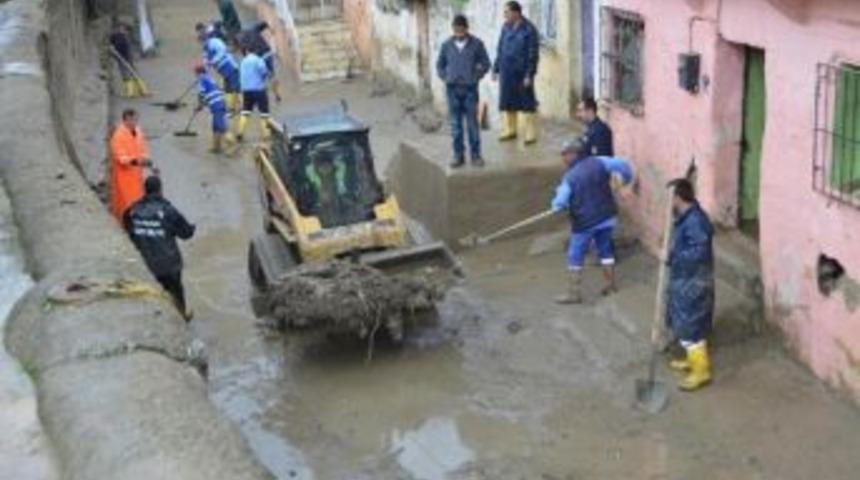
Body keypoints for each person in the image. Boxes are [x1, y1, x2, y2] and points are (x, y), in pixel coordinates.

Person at [550, 140, 633, 304]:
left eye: (565, 155)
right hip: (607, 216)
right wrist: (626, 180)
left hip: (585, 223)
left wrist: (556, 206)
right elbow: (624, 166)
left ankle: (574, 294)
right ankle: (610, 285)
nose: (563, 159)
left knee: (575, 255)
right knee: (605, 249)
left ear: (574, 154)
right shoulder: (601, 161)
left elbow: (560, 202)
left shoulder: (570, 178)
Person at [665, 178, 715, 391]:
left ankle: (701, 371)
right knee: (684, 321)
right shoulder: (686, 217)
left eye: (669, 198)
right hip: (684, 278)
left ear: (677, 198)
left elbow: (699, 253)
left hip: (693, 281)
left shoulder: (695, 221)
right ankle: (691, 359)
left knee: (691, 324)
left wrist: (672, 256)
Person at [124, 176, 196, 321]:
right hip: (170, 265)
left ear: (145, 190)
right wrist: (192, 227)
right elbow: (186, 233)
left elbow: (129, 231)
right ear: (160, 190)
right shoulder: (168, 210)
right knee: (176, 290)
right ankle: (182, 316)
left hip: (147, 266)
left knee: (155, 296)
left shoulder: (132, 211)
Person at [436, 15, 490, 168]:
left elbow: (486, 63)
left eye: (461, 30)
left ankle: (476, 155)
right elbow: (440, 65)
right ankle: (458, 155)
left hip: (470, 90)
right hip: (452, 89)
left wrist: (476, 76)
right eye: (455, 30)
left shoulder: (477, 44)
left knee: (472, 124)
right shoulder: (446, 45)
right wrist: (445, 77)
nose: (458, 33)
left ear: (466, 29)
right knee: (455, 125)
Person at [492, 1, 540, 145]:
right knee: (507, 101)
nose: (505, 15)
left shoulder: (529, 29)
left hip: (522, 72)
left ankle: (530, 133)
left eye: (507, 12)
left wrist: (529, 74)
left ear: (516, 12)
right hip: (507, 71)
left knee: (527, 102)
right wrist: (496, 68)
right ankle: (510, 130)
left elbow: (533, 54)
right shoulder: (505, 27)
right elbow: (500, 48)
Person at [110, 109, 153, 222]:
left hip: (137, 175)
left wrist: (146, 158)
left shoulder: (138, 131)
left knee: (138, 199)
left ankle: (136, 222)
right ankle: (123, 223)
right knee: (125, 202)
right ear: (126, 120)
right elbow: (120, 157)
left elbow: (143, 147)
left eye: (136, 119)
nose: (135, 122)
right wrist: (136, 162)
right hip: (124, 177)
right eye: (133, 120)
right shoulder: (118, 136)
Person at [197, 22, 241, 116]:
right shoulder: (205, 49)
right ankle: (232, 108)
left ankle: (238, 108)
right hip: (223, 71)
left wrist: (213, 61)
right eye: (201, 43)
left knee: (235, 88)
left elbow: (223, 50)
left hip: (230, 67)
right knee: (228, 89)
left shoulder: (215, 42)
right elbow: (205, 61)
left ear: (206, 39)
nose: (202, 44)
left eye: (203, 41)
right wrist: (204, 70)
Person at [194, 62, 234, 153]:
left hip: (216, 105)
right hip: (220, 101)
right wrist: (202, 105)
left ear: (197, 72)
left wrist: (199, 106)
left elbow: (201, 94)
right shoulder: (208, 77)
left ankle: (232, 144)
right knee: (215, 127)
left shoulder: (201, 79)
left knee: (221, 127)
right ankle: (216, 147)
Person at [237, 45, 271, 142]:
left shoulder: (243, 61)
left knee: (245, 111)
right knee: (264, 113)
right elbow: (264, 73)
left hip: (246, 90)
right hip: (259, 89)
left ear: (247, 51)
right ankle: (266, 134)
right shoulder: (258, 60)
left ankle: (240, 132)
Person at [240, 21, 282, 102]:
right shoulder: (253, 29)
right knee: (272, 75)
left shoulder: (243, 40)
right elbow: (264, 23)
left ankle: (262, 97)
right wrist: (271, 30)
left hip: (259, 59)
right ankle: (277, 94)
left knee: (260, 78)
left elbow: (245, 55)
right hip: (267, 53)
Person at [109, 23, 145, 98]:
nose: (123, 31)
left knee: (133, 72)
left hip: (127, 57)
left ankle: (141, 90)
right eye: (122, 29)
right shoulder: (115, 35)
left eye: (125, 30)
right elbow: (111, 43)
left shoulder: (126, 38)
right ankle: (130, 92)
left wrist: (130, 58)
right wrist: (112, 49)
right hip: (120, 58)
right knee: (125, 74)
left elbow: (129, 49)